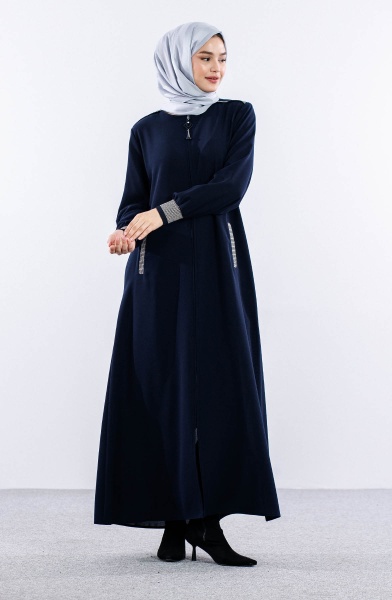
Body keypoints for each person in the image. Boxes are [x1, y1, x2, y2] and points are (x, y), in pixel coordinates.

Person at [94, 21, 281, 567]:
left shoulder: (236, 116)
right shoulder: (146, 130)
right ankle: (174, 520)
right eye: (204, 58)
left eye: (222, 58)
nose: (216, 68)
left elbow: (229, 187)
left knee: (219, 386)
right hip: (157, 273)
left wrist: (163, 213)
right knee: (161, 388)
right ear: (178, 61)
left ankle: (208, 519)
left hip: (220, 269)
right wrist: (125, 231)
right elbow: (133, 200)